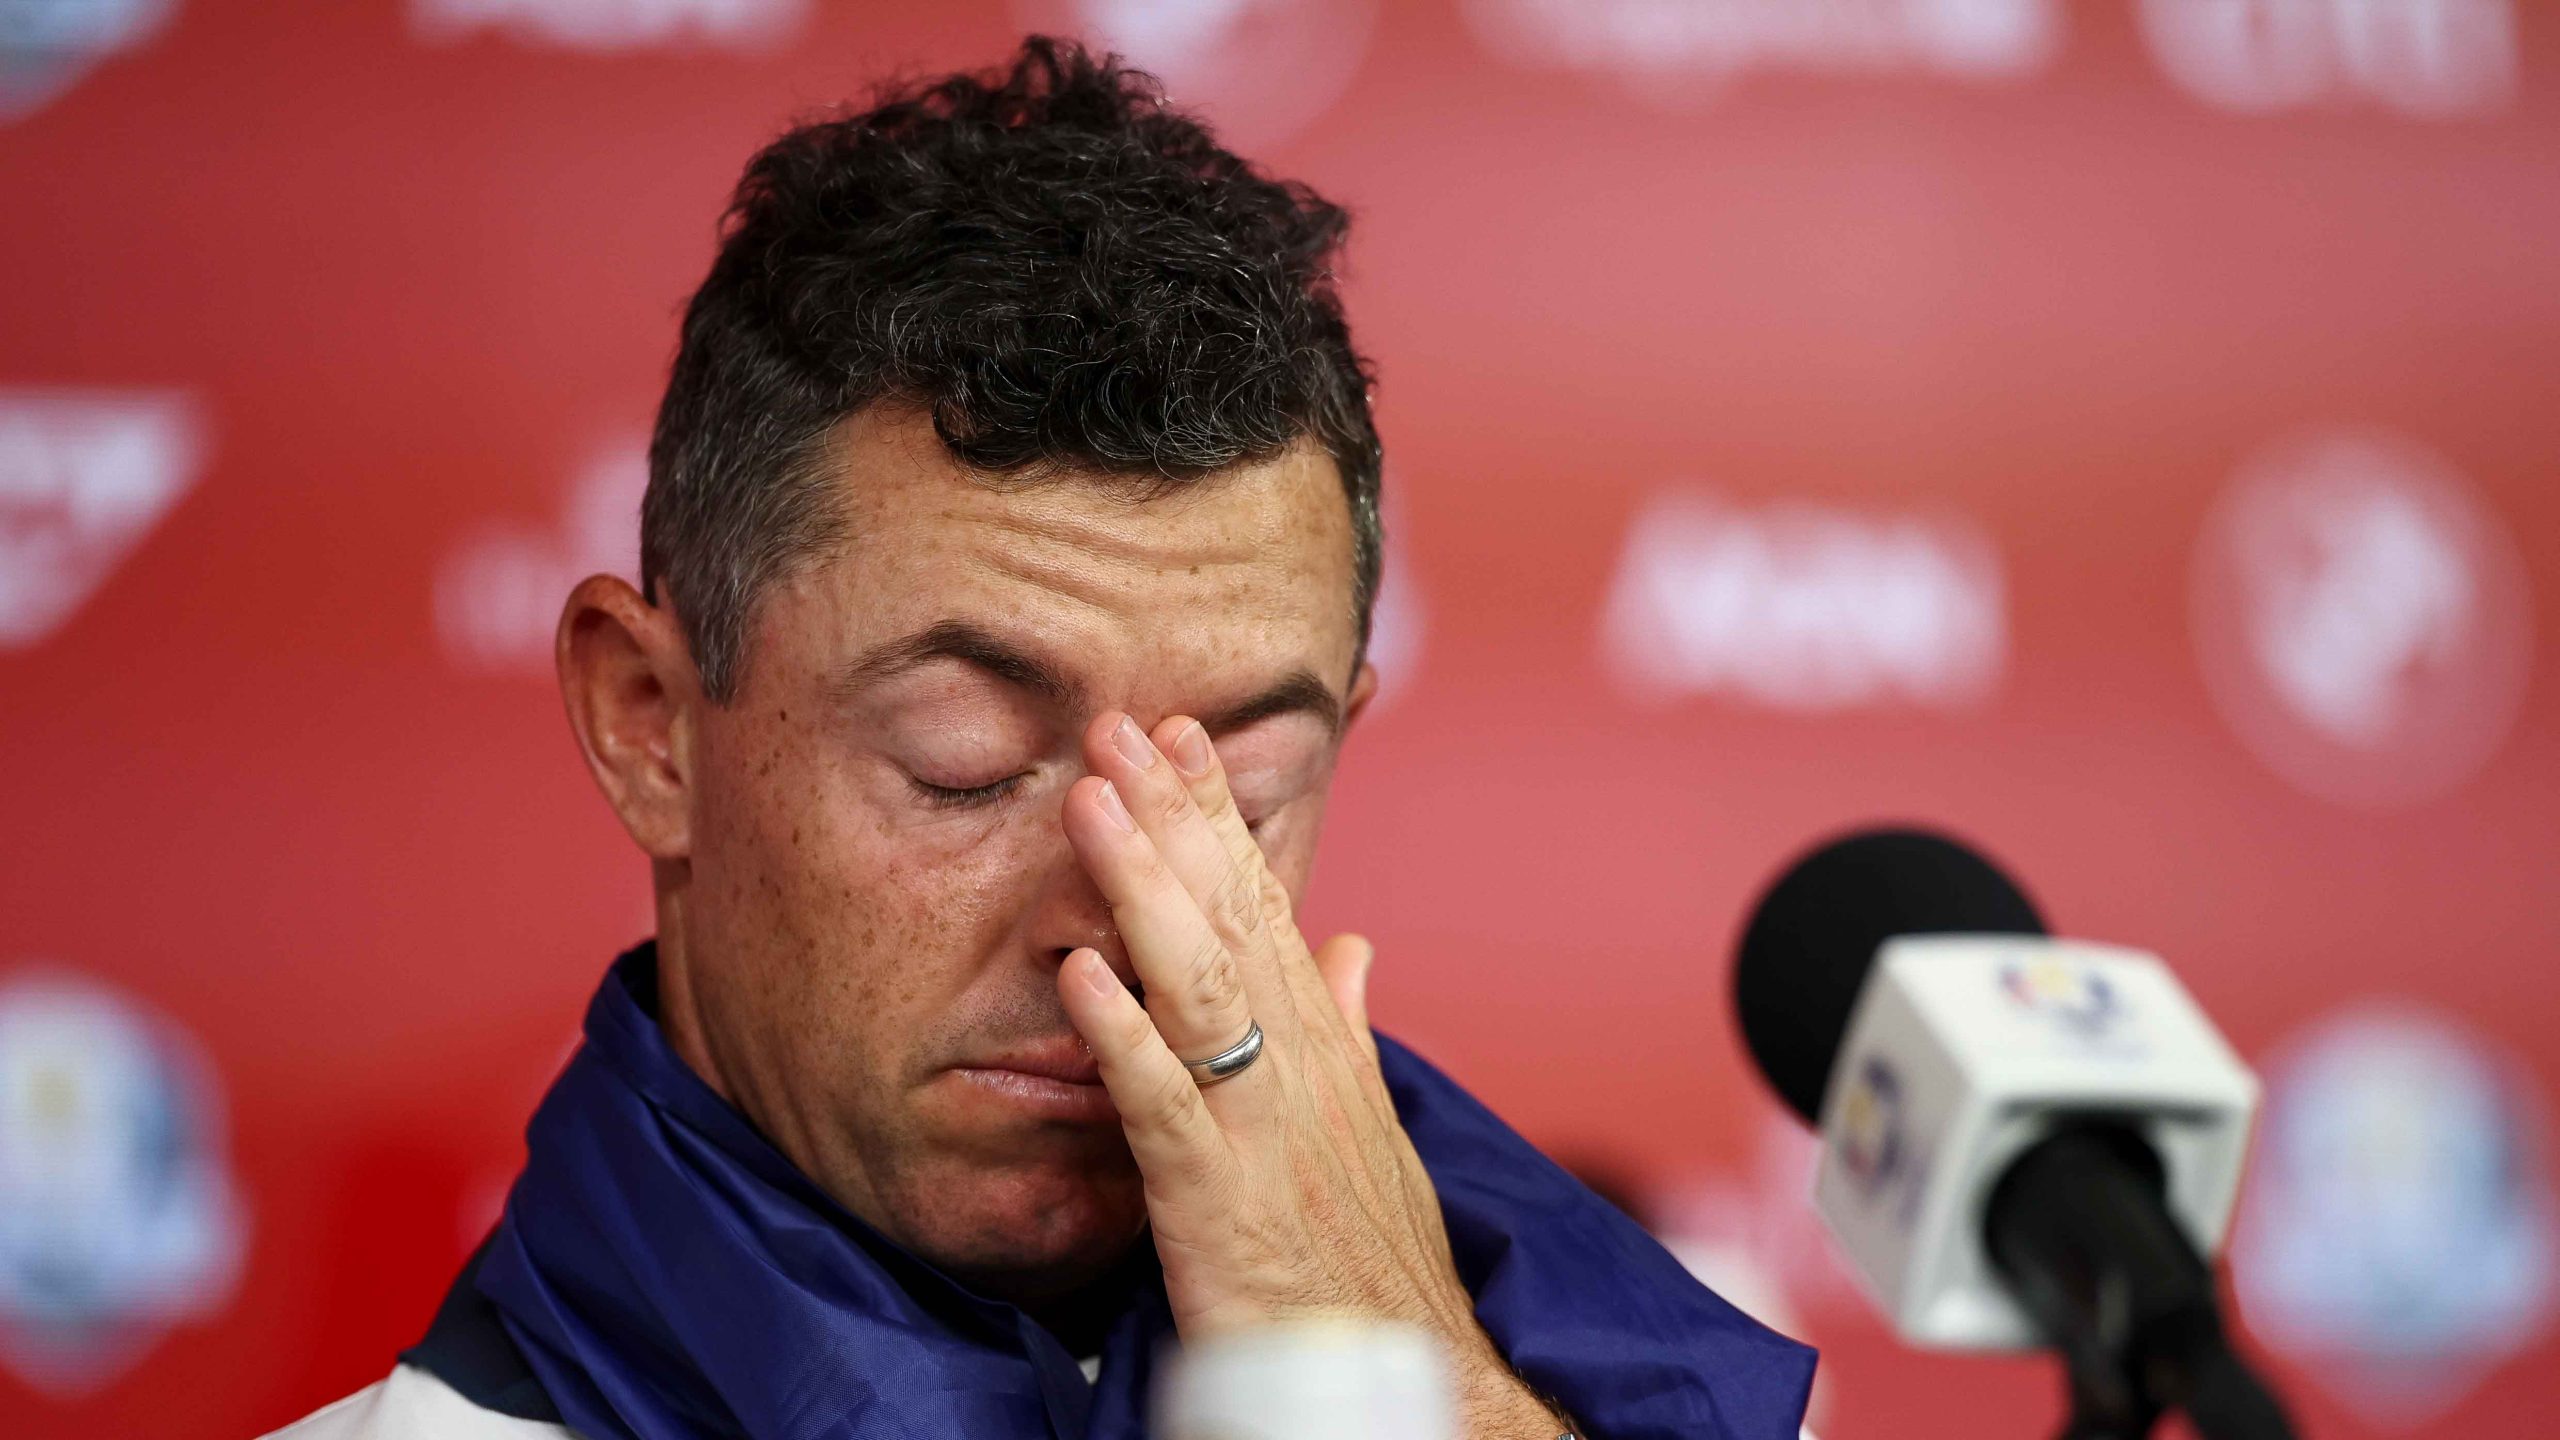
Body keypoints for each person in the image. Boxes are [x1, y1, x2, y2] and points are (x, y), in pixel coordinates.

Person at [266, 36, 1815, 1440]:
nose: (1114, 917)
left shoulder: (1610, 1368)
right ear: (650, 725)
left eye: (1235, 788)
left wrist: (1407, 1378)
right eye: (965, 761)